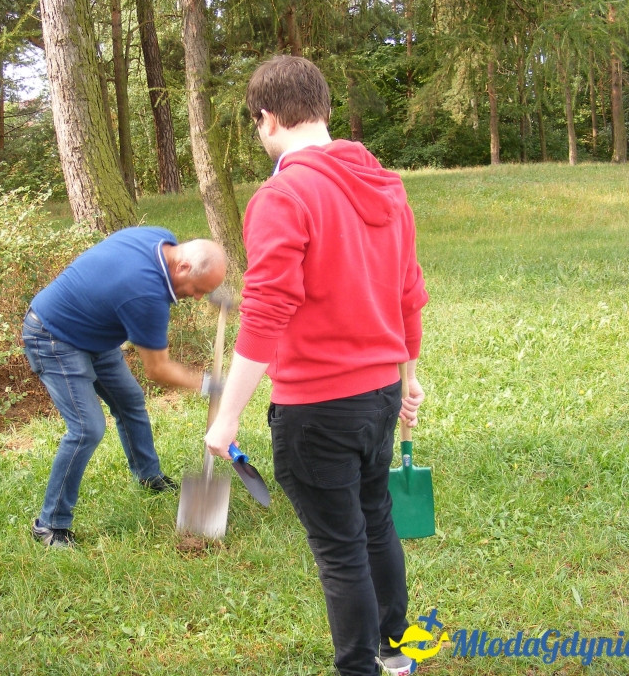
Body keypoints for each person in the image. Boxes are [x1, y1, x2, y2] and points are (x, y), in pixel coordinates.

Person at [204, 55, 429, 676]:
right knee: (375, 520)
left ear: (267, 119)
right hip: (381, 392)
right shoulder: (386, 183)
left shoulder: (283, 195)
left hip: (318, 409)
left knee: (341, 549)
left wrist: (226, 420)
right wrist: (409, 377)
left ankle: (360, 666)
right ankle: (396, 653)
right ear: (324, 111)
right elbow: (409, 291)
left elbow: (267, 311)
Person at [23, 226, 227, 548]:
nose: (198, 297)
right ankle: (49, 525)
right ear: (183, 267)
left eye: (205, 292)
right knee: (86, 428)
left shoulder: (162, 239)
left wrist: (212, 289)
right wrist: (208, 385)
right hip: (53, 334)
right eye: (198, 289)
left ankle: (148, 475)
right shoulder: (145, 294)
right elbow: (157, 369)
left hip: (94, 331)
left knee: (130, 401)